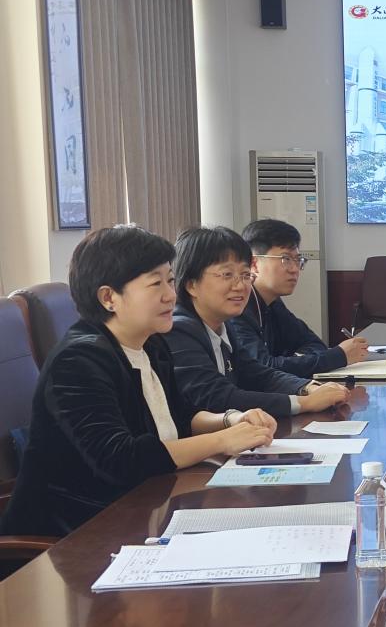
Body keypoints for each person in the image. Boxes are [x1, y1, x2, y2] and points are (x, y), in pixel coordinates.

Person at [0, 226, 276, 537]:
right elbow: (122, 460)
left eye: (170, 280)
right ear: (109, 298)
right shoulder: (77, 361)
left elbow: (180, 416)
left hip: (144, 508)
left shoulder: (151, 344)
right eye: (156, 283)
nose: (171, 294)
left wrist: (231, 420)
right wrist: (223, 441)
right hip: (74, 533)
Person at [165, 226, 349, 419]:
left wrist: (307, 387)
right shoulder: (178, 330)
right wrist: (304, 403)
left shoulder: (222, 326)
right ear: (191, 284)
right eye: (227, 275)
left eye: (245, 275)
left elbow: (258, 374)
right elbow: (217, 397)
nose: (240, 286)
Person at [231, 218, 368, 376]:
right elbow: (263, 368)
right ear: (254, 264)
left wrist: (295, 361)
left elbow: (313, 343)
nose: (295, 269)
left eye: (298, 260)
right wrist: (339, 356)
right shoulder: (237, 307)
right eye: (286, 259)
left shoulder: (273, 303)